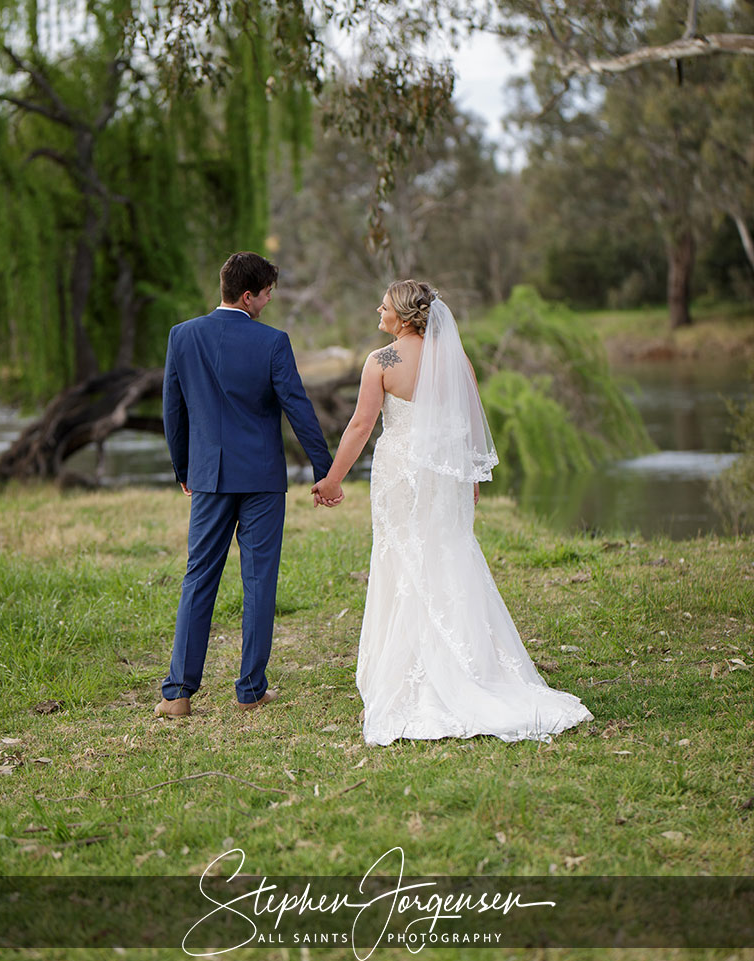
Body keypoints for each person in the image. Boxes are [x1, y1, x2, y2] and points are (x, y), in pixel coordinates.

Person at [312, 280, 594, 746]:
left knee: (402, 557)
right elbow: (466, 421)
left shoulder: (381, 361)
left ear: (402, 316)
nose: (377, 312)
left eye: (383, 307)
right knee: (448, 553)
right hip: (444, 474)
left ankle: (411, 673)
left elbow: (361, 424)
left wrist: (334, 478)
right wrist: (468, 477)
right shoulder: (455, 359)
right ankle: (473, 664)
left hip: (402, 473)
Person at [156, 251, 338, 718]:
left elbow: (173, 411)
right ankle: (251, 690)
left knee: (198, 577)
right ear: (247, 295)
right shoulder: (273, 343)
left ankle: (177, 695)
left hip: (210, 478)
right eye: (266, 292)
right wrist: (325, 471)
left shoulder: (183, 336)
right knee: (259, 581)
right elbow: (298, 407)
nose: (270, 299)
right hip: (260, 479)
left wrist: (184, 471)